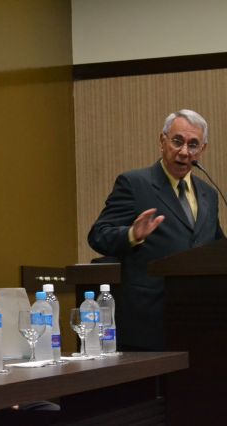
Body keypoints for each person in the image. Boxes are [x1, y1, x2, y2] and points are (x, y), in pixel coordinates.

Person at [88, 109, 224, 351]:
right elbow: (98, 235)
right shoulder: (134, 183)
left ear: (202, 149)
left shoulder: (209, 194)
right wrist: (132, 235)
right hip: (148, 320)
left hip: (200, 320)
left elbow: (214, 247)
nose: (184, 152)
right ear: (162, 141)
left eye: (193, 144)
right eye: (177, 141)